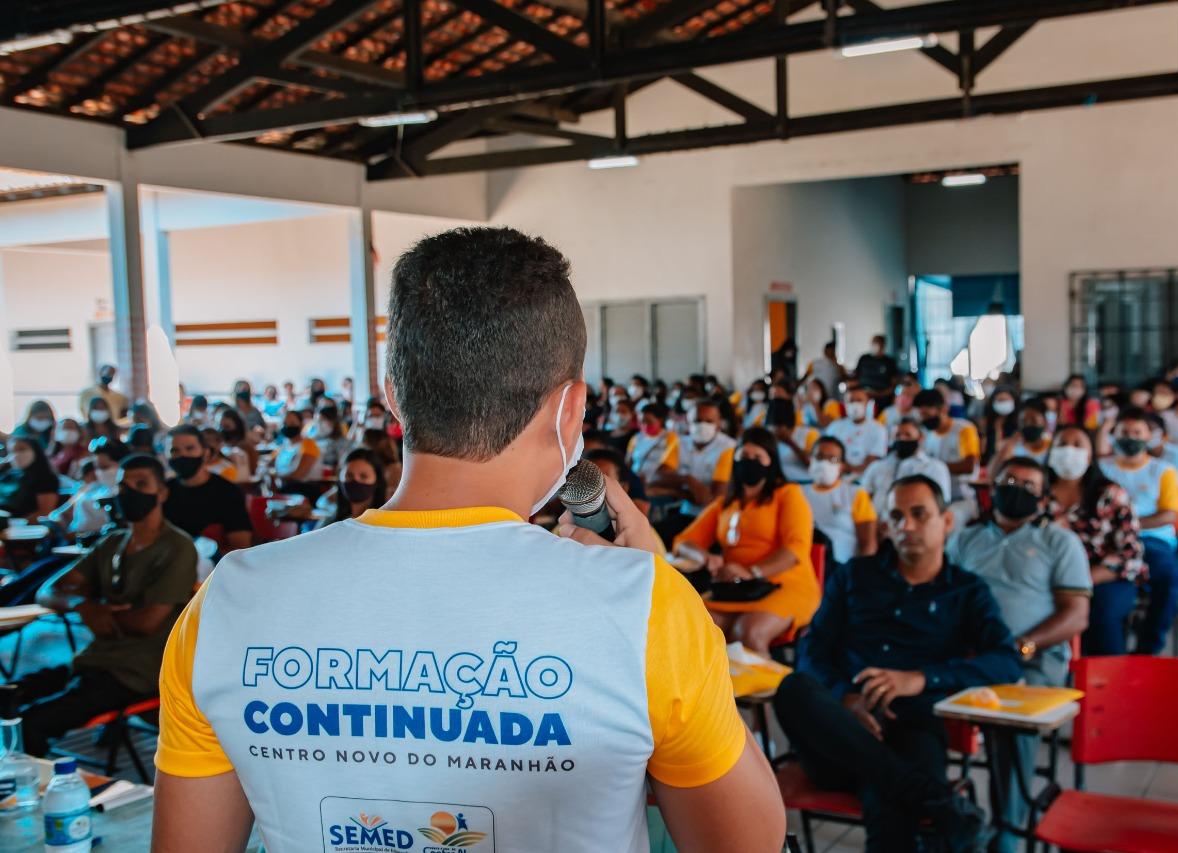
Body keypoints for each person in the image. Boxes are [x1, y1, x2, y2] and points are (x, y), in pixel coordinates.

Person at [151, 227, 784, 853]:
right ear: (571, 409)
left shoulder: (226, 602)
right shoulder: (647, 608)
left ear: (394, 396)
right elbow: (746, 843)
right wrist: (652, 591)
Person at [774, 475, 1019, 853]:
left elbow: (1006, 660)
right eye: (896, 516)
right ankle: (935, 798)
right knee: (793, 688)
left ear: (947, 521)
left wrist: (921, 678)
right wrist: (845, 699)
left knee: (890, 804)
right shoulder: (855, 575)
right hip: (837, 734)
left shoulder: (966, 591)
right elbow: (813, 650)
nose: (906, 526)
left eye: (919, 514)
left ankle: (925, 797)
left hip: (913, 726)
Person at [948, 456, 1091, 853]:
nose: (1017, 491)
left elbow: (1076, 615)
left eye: (1028, 487)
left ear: (1044, 499)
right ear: (992, 490)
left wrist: (1024, 645)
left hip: (1031, 657)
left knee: (1009, 720)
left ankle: (1008, 829)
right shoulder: (966, 539)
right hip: (970, 655)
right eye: (1009, 482)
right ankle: (944, 818)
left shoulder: (1058, 542)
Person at [10, 454, 196, 757]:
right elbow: (48, 591)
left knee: (32, 723)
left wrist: (102, 614)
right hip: (94, 661)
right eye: (124, 486)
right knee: (10, 697)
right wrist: (86, 606)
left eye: (141, 484)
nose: (130, 493)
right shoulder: (112, 543)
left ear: (162, 492)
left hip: (138, 672)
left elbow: (148, 622)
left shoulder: (176, 547)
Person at [673, 427, 817, 652]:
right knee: (696, 627)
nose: (749, 462)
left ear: (771, 462)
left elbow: (795, 549)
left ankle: (765, 687)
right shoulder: (725, 504)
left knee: (749, 632)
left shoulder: (788, 494)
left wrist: (753, 572)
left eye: (757, 457)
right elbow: (683, 541)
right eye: (743, 457)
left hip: (784, 584)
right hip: (736, 588)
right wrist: (706, 556)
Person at [1047, 427, 1145, 656]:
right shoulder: (1039, 497)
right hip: (1047, 578)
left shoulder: (1110, 494)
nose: (1069, 450)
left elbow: (1130, 554)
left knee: (1100, 611)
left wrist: (1081, 580)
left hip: (1103, 578)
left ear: (1090, 456)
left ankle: (1106, 680)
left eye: (1078, 445)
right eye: (1062, 444)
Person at [1098, 409, 1178, 655]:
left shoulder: (1163, 470)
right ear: (1114, 435)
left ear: (1149, 436)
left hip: (1151, 540)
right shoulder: (1102, 468)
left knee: (1168, 577)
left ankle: (1148, 648)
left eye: (1137, 432)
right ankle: (1107, 652)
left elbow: (1170, 514)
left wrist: (1129, 526)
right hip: (1108, 542)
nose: (1131, 437)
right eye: (1124, 432)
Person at [653, 400, 735, 545]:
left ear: (719, 423)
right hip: (687, 512)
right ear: (688, 421)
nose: (702, 425)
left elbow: (712, 499)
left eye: (709, 421)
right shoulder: (681, 442)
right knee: (653, 538)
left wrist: (678, 490)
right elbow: (658, 476)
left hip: (717, 519)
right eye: (697, 421)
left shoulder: (728, 447)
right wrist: (688, 480)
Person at [162, 426, 253, 553]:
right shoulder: (161, 492)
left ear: (205, 453)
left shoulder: (228, 492)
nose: (182, 455)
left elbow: (241, 547)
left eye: (190, 448)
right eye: (174, 450)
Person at [802, 437, 877, 566]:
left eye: (833, 459)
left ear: (842, 466)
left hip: (841, 569)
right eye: (819, 457)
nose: (824, 463)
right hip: (802, 564)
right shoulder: (798, 492)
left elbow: (868, 544)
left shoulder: (856, 494)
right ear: (811, 459)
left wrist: (857, 575)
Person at [913, 389, 980, 527]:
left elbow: (969, 466)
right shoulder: (927, 434)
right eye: (921, 415)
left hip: (961, 497)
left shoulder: (964, 429)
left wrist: (936, 468)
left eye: (927, 414)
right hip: (934, 497)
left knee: (945, 523)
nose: (924, 419)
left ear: (943, 409)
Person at [862, 418, 952, 516]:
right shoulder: (877, 466)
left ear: (920, 437)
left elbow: (941, 504)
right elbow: (864, 498)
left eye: (907, 435)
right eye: (898, 435)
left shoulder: (934, 467)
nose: (902, 439)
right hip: (875, 524)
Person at [48, 439, 129, 540]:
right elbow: (61, 513)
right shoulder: (92, 487)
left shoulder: (126, 495)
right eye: (97, 467)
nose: (100, 472)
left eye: (105, 467)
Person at [1144, 414, 1178, 547]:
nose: (1149, 434)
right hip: (1148, 509)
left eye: (1152, 429)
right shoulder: (1136, 457)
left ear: (1163, 433)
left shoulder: (1177, 456)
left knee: (1166, 540)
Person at [313, 448, 388, 527]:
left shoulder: (384, 525)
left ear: (377, 481)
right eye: (349, 475)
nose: (355, 481)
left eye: (363, 476)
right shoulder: (330, 523)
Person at [825, 386, 888, 476]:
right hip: (837, 475)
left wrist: (849, 469)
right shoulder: (834, 427)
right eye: (851, 401)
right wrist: (838, 464)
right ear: (844, 404)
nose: (855, 405)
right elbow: (828, 453)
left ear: (867, 403)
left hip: (865, 478)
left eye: (859, 400)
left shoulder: (879, 429)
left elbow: (872, 462)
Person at [0, 431, 62, 522]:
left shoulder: (46, 478)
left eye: (21, 449)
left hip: (21, 527)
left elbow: (45, 511)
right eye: (12, 451)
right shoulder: (8, 475)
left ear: (35, 450)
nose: (16, 454)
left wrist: (16, 524)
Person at [766, 399, 818, 484]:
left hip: (805, 481)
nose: (777, 430)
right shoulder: (771, 436)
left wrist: (789, 442)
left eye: (779, 426)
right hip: (782, 482)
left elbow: (812, 464)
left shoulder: (809, 434)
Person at [625, 403, 680, 484]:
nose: (645, 425)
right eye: (642, 422)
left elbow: (668, 467)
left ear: (660, 420)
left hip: (656, 483)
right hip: (634, 480)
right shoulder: (636, 438)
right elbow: (628, 462)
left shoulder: (670, 437)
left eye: (649, 421)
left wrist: (650, 479)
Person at [991, 398, 1053, 468]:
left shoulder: (1052, 447)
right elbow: (992, 472)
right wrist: (1009, 445)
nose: (1028, 424)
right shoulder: (1011, 447)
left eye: (1034, 420)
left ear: (1045, 422)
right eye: (1023, 421)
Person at [272, 409, 322, 493]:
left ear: (301, 424)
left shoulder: (308, 444)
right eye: (285, 424)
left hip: (304, 489)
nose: (288, 426)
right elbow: (270, 463)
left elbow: (300, 474)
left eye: (292, 423)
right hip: (285, 486)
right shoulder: (284, 446)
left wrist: (278, 476)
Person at [854, 335, 896, 404]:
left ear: (883, 345)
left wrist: (879, 394)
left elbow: (893, 385)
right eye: (873, 343)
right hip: (863, 393)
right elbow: (856, 377)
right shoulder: (864, 358)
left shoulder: (889, 362)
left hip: (882, 396)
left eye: (877, 343)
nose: (875, 345)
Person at [981, 387, 1019, 464]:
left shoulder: (1019, 424)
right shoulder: (987, 423)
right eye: (1000, 400)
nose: (1003, 403)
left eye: (1006, 400)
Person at [216, 408, 257, 481]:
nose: (224, 430)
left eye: (227, 426)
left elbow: (252, 469)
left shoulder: (245, 446)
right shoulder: (221, 444)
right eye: (223, 427)